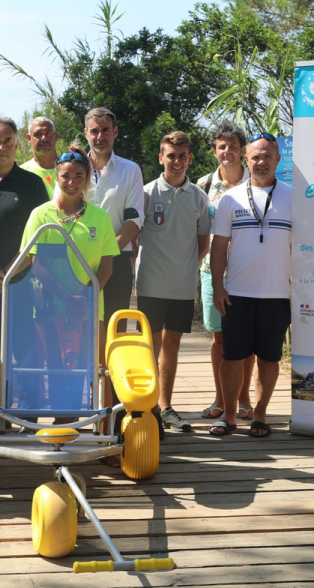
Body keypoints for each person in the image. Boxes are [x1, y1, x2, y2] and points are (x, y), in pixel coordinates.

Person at [20, 144, 119, 421]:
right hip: (50, 308)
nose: (72, 182)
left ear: (87, 178)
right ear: (56, 175)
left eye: (78, 176)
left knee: (97, 370)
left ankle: (105, 429)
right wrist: (67, 298)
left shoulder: (99, 217)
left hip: (88, 307)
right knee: (57, 368)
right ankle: (64, 425)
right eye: (66, 176)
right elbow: (34, 263)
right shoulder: (40, 215)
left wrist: (86, 299)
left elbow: (108, 266)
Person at [209, 133, 292, 438]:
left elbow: (304, 248)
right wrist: (218, 287)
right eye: (256, 157)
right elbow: (219, 247)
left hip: (277, 294)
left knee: (269, 359)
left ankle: (259, 414)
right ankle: (229, 416)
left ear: (278, 160)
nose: (261, 162)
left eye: (268, 156)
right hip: (238, 293)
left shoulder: (294, 196)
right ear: (247, 159)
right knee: (231, 358)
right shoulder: (230, 199)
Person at [136, 131, 211, 433]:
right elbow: (133, 235)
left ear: (189, 158)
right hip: (150, 285)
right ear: (161, 158)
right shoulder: (145, 194)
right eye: (171, 155)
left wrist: (184, 268)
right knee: (149, 348)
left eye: (182, 156)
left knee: (172, 348)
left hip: (181, 287)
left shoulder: (199, 197)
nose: (177, 161)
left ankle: (166, 407)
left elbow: (203, 242)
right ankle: (149, 408)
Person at [0, 116, 50, 364]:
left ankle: (27, 403)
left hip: (24, 279)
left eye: (7, 141)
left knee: (26, 353)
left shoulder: (33, 185)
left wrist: (7, 272)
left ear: (16, 145)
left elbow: (39, 238)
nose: (1, 147)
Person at [196, 122, 256, 420]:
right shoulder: (204, 185)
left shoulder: (256, 181)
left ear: (243, 151)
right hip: (211, 271)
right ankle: (220, 398)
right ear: (214, 150)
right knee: (219, 338)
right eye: (222, 146)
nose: (228, 152)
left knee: (246, 340)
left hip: (247, 271)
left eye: (233, 146)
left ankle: (243, 399)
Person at [84, 107, 144, 327]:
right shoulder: (72, 169)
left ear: (115, 132)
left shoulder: (130, 170)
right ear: (86, 133)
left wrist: (106, 252)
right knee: (80, 327)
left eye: (106, 130)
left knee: (113, 329)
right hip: (79, 260)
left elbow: (134, 220)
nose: (100, 137)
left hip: (118, 261)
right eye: (95, 131)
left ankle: (108, 364)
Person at [21, 117, 59, 198]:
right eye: (37, 134)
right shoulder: (22, 172)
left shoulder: (70, 167)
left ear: (55, 136)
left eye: (48, 133)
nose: (44, 138)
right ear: (29, 138)